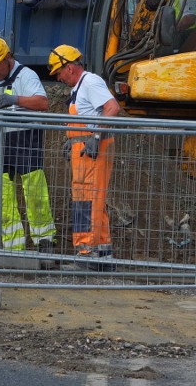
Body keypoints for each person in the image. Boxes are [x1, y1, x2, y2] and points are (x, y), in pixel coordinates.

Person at [0, 36, 57, 260]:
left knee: (34, 190)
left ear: (7, 58)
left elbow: (42, 103)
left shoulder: (26, 76)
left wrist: (14, 100)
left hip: (25, 136)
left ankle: (44, 241)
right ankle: (13, 248)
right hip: (0, 138)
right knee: (0, 193)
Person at [48, 44, 121, 265]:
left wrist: (96, 137)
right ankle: (101, 254)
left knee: (88, 201)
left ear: (69, 68)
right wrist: (72, 141)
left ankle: (86, 254)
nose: (58, 78)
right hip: (84, 149)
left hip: (94, 150)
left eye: (58, 72)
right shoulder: (79, 87)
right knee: (89, 200)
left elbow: (112, 108)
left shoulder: (89, 82)